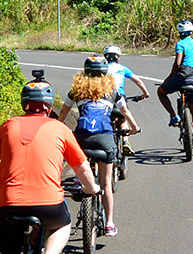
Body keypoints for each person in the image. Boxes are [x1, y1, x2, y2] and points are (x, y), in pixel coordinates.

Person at [0, 77, 100, 254]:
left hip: (9, 202)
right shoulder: (59, 128)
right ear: (48, 106)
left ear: (23, 103)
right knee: (63, 225)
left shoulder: (8, 125)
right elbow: (82, 167)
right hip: (47, 202)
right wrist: (91, 189)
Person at [58, 55, 140, 237]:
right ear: (105, 73)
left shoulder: (76, 91)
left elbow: (63, 111)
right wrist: (134, 128)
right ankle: (109, 223)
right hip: (104, 140)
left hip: (81, 139)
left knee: (81, 164)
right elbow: (124, 111)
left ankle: (81, 181)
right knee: (106, 184)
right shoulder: (112, 89)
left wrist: (55, 126)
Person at [157, 19, 193, 148]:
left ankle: (174, 116)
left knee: (161, 92)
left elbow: (178, 63)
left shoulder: (180, 44)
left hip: (181, 77)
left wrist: (169, 77)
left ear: (180, 32)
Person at [103, 44, 150, 156]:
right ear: (118, 58)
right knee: (123, 119)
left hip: (104, 98)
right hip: (119, 97)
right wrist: (145, 93)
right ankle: (125, 142)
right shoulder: (122, 68)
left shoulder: (102, 68)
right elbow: (138, 81)